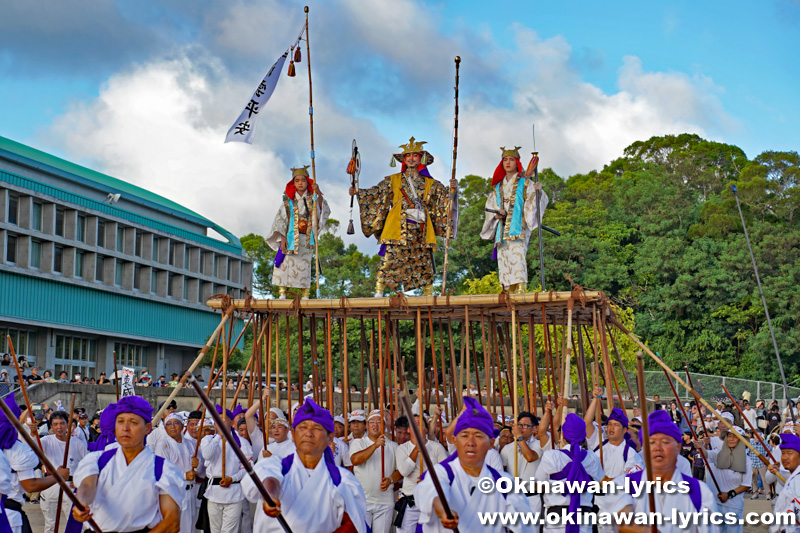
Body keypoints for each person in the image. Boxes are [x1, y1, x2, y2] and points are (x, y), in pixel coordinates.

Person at [349, 137, 458, 296]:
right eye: (408, 156)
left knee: (423, 262)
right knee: (389, 260)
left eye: (415, 155)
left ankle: (428, 293)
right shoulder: (393, 180)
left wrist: (453, 190)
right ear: (404, 160)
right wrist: (359, 192)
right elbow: (377, 193)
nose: (411, 159)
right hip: (397, 228)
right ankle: (379, 291)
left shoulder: (430, 183)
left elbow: (444, 197)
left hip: (420, 229)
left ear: (421, 159)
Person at [244, 399, 367, 532]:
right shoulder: (274, 464)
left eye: (317, 428)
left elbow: (354, 526)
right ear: (294, 433)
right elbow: (269, 480)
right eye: (302, 427)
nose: (308, 433)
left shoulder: (344, 481)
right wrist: (271, 497)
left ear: (330, 438)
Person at [415, 396, 530, 532]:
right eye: (464, 436)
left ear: (491, 443)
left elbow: (523, 524)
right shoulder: (441, 473)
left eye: (478, 436)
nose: (471, 442)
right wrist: (444, 512)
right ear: (455, 441)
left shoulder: (503, 482)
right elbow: (432, 494)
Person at [70, 395, 184, 532]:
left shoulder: (163, 469)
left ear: (148, 428)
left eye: (133, 422)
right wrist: (82, 503)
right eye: (120, 421)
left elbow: (172, 522)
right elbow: (87, 485)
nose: (125, 428)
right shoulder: (97, 459)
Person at [607, 410, 719, 533]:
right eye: (651, 442)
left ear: (678, 447)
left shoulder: (700, 492)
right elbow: (620, 517)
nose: (658, 448)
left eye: (665, 442)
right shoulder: (623, 484)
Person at [480, 146, 548, 293]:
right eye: (505, 160)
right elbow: (490, 207)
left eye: (511, 159)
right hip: (502, 228)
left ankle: (521, 287)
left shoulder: (526, 183)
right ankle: (507, 289)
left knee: (518, 256)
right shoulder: (498, 187)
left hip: (519, 227)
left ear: (517, 162)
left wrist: (538, 192)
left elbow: (532, 203)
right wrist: (495, 214)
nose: (508, 162)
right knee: (504, 258)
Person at [266, 165, 331, 299]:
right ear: (293, 183)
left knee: (304, 266)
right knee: (284, 266)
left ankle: (305, 293)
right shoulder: (288, 200)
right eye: (297, 180)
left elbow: (323, 210)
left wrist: (318, 193)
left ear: (308, 182)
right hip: (290, 237)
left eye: (303, 180)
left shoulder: (312, 198)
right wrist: (282, 237)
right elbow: (281, 219)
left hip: (306, 237)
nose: (300, 183)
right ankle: (282, 292)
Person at [535, 412, 605, 533]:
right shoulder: (592, 458)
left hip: (555, 522)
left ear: (562, 435)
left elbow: (538, 485)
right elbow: (601, 485)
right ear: (584, 436)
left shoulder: (550, 456)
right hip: (584, 521)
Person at [395, 413, 448, 533]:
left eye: (420, 423)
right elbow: (404, 471)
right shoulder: (402, 449)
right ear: (409, 429)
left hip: (431, 501)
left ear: (426, 429)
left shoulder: (437, 448)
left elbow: (445, 473)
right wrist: (416, 450)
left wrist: (429, 479)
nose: (417, 424)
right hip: (410, 501)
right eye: (414, 423)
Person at [349, 409, 401, 533]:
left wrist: (390, 480)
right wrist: (375, 445)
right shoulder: (359, 442)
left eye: (379, 422)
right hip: (363, 500)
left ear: (384, 425)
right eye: (372, 422)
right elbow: (355, 460)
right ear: (367, 425)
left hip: (384, 502)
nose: (375, 425)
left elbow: (400, 471)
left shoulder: (394, 446)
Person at [200, 405, 249, 533]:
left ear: (231, 422)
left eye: (223, 419)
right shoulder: (208, 439)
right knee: (215, 530)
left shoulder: (241, 442)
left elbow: (247, 468)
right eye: (217, 419)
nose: (220, 422)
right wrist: (218, 437)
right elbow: (207, 455)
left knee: (229, 531)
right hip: (213, 492)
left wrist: (232, 478)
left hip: (233, 491)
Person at [39, 411, 88, 533]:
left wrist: (79, 481)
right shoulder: (46, 440)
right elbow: (33, 445)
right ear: (51, 426)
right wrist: (33, 432)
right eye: (55, 424)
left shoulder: (77, 443)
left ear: (68, 425)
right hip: (50, 485)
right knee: (50, 525)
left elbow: (87, 464)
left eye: (62, 423)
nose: (59, 427)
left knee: (75, 524)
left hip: (70, 487)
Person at [698, 424, 752, 533]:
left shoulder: (746, 460)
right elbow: (706, 454)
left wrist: (729, 494)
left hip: (733, 506)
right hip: (715, 505)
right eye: (729, 436)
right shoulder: (719, 453)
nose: (731, 439)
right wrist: (700, 447)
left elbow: (746, 485)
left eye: (735, 437)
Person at [155, 412, 198, 533]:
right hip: (173, 494)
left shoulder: (191, 444)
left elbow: (200, 468)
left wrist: (197, 466)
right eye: (169, 424)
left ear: (182, 425)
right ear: (165, 427)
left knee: (191, 527)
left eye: (176, 423)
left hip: (191, 492)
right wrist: (184, 475)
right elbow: (162, 471)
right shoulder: (163, 445)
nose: (172, 426)